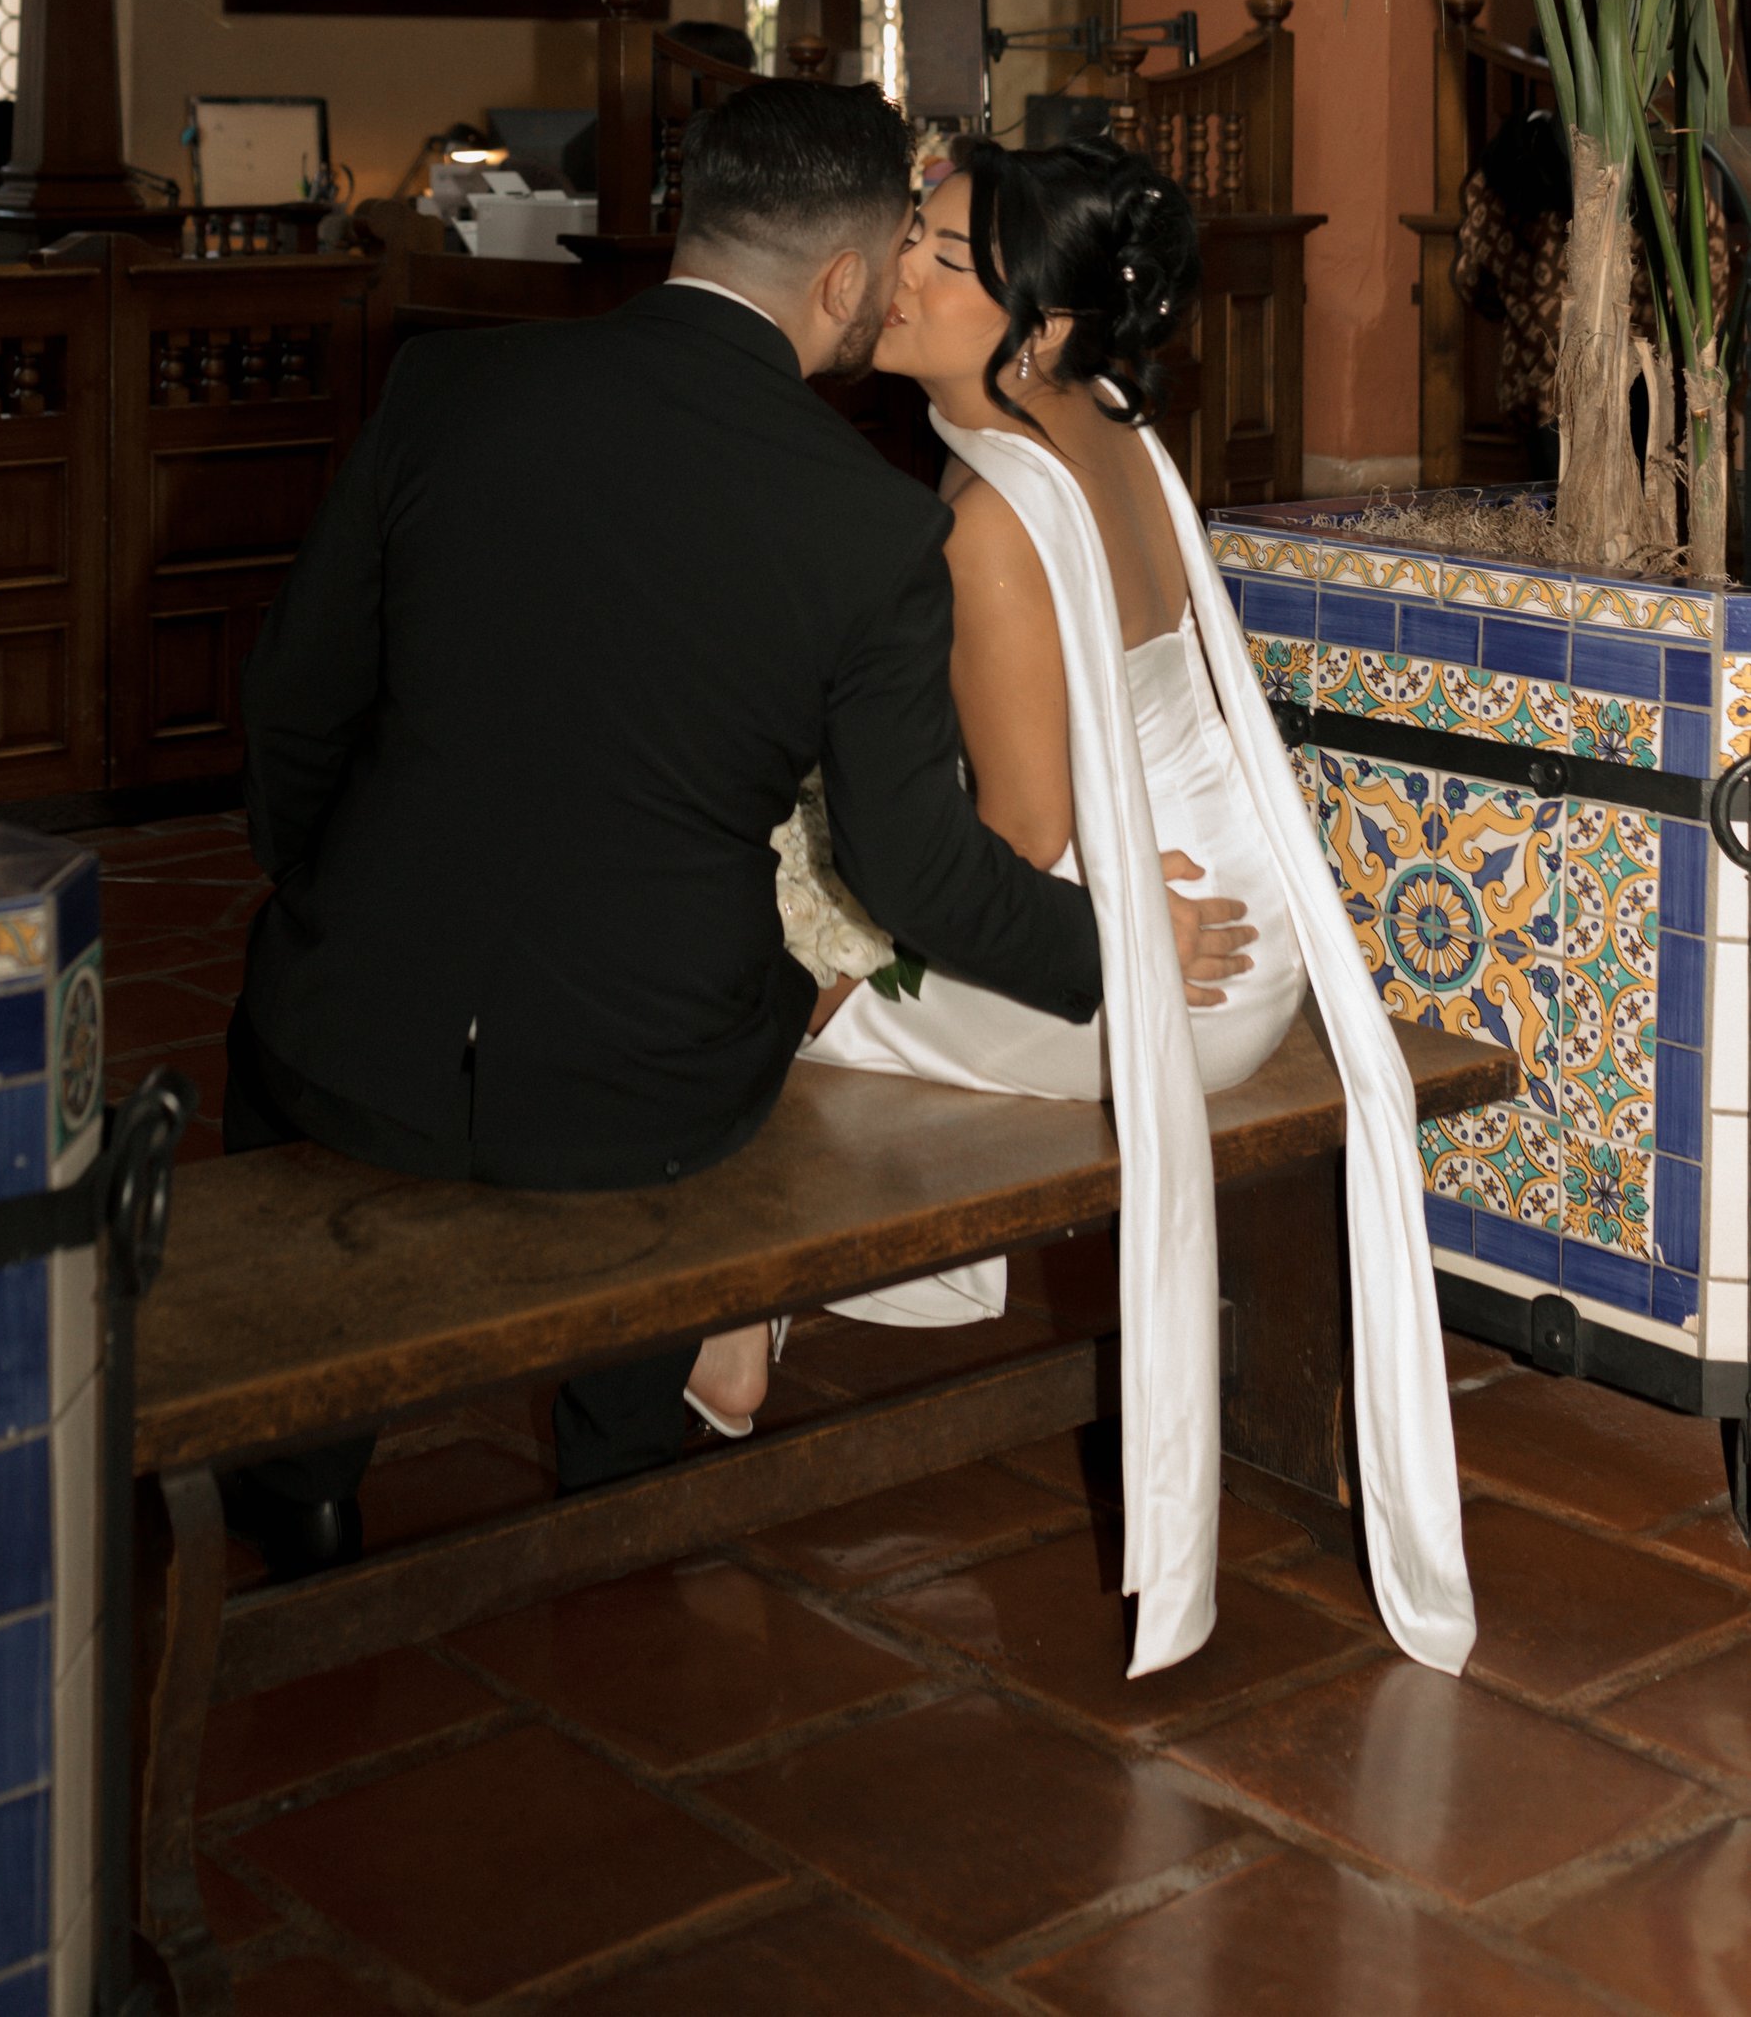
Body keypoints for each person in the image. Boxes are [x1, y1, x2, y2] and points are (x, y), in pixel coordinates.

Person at [219, 81, 1256, 1580]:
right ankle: (626, 1451)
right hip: (644, 1088)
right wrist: (1117, 955)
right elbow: (916, 871)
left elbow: (292, 702)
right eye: (898, 257)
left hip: (348, 1034)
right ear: (840, 283)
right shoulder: (870, 524)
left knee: (306, 1026)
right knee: (747, 1015)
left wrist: (327, 889)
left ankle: (303, 1476)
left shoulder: (448, 388)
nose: (900, 289)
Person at [712, 137, 1474, 1680]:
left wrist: (852, 912)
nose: (901, 271)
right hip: (1235, 912)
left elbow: (1022, 833)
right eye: (913, 235)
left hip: (1167, 957)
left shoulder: (988, 516)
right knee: (809, 902)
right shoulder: (1108, 418)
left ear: (1040, 325)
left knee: (756, 978)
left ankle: (742, 1321)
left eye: (943, 256)